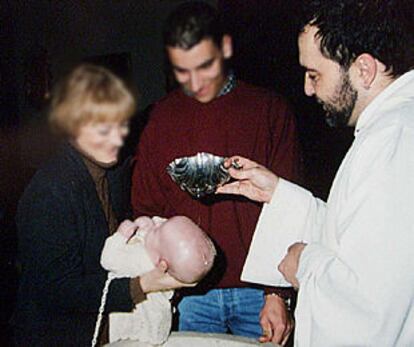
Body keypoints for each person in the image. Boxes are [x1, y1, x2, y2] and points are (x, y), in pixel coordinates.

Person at [217, 0, 414, 345]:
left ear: (364, 69)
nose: (308, 89)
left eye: (315, 74)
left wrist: (304, 265)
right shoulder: (392, 127)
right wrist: (278, 194)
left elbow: (369, 306)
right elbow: (361, 239)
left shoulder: (393, 139)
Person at [131, 1, 302, 344]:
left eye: (204, 66)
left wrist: (277, 293)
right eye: (182, 71)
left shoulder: (270, 110)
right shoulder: (160, 119)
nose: (195, 83)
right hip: (188, 296)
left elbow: (292, 208)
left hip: (259, 296)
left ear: (225, 47)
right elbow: (145, 210)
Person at [12, 64, 191, 346]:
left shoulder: (114, 173)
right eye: (103, 129)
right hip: (55, 336)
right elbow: (58, 292)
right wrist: (143, 285)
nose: (118, 139)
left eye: (122, 125)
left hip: (101, 329)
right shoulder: (49, 192)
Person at [100, 215, 216, 345]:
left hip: (130, 332)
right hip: (158, 328)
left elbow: (108, 259)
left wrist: (120, 236)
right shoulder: (167, 266)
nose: (155, 221)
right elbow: (163, 231)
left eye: (156, 229)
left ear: (161, 263)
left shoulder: (138, 259)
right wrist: (151, 227)